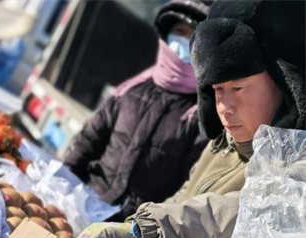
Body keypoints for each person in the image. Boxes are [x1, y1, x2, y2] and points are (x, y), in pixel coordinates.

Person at [60, 0, 306, 238]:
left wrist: (142, 233)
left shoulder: (295, 167)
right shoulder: (222, 144)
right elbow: (184, 197)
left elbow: (230, 214)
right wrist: (135, 230)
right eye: (216, 89)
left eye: (238, 87)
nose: (224, 106)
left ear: (285, 84)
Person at [63, 0, 212, 221]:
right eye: (179, 31)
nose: (184, 41)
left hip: (129, 234)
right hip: (85, 203)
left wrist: (140, 235)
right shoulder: (133, 89)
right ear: (166, 36)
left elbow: (187, 192)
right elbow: (88, 140)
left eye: (193, 36)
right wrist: (63, 186)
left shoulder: (201, 116)